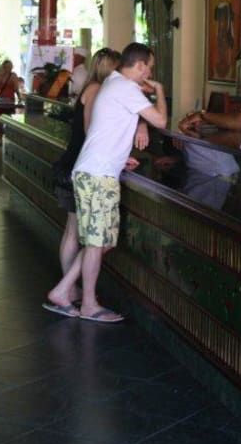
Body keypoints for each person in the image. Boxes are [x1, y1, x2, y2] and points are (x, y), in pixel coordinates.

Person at [45, 42, 167, 323]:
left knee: (103, 242)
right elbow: (160, 120)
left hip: (99, 171)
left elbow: (108, 128)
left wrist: (120, 156)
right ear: (139, 66)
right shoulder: (124, 87)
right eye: (149, 67)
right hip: (97, 175)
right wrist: (159, 91)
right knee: (98, 242)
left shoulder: (114, 83)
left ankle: (63, 290)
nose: (150, 72)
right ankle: (88, 304)